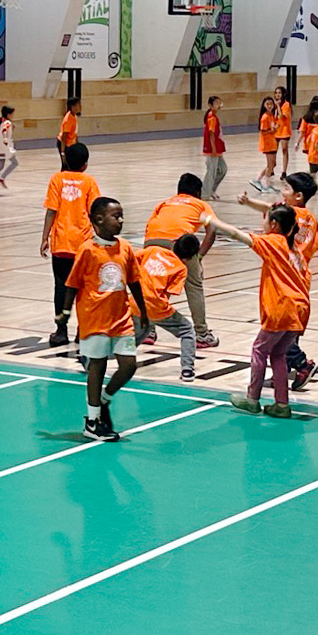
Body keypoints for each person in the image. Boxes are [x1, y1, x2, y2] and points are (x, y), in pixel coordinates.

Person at [206, 204, 309, 419]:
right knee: (278, 354)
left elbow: (237, 234)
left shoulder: (273, 242)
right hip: (300, 309)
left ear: (274, 224)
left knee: (259, 350)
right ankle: (282, 404)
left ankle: (252, 399)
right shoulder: (296, 251)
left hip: (281, 307)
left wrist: (212, 221)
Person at [58, 197, 149, 442]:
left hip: (121, 318)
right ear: (98, 220)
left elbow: (134, 281)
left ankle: (105, 400)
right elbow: (72, 285)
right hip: (94, 319)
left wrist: (143, 310)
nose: (120, 220)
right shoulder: (87, 250)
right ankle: (92, 421)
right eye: (115, 216)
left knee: (129, 365)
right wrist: (64, 315)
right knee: (97, 366)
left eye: (121, 216)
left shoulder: (126, 248)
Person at [237, 172, 318, 390]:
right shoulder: (310, 219)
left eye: (286, 188)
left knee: (278, 328)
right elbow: (268, 207)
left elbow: (269, 209)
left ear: (298, 196)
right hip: (300, 274)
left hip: (285, 275)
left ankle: (302, 364)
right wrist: (249, 202)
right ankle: (281, 375)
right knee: (290, 328)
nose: (282, 192)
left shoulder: (290, 216)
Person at [143, 174, 219, 349]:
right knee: (194, 286)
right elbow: (212, 231)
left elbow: (150, 226)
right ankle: (202, 334)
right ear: (198, 192)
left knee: (156, 286)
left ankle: (148, 330)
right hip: (178, 243)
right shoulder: (201, 204)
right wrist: (198, 258)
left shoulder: (164, 203)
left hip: (151, 241)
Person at [40, 141, 100, 347]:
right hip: (82, 246)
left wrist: (44, 238)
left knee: (61, 288)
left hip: (61, 244)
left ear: (65, 160)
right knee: (83, 290)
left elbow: (51, 211)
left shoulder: (56, 179)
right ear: (85, 164)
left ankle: (61, 330)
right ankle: (82, 331)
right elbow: (95, 213)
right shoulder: (90, 182)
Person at [137, 234, 201, 382]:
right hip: (157, 307)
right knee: (187, 330)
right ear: (191, 257)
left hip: (136, 303)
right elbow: (169, 293)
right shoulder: (180, 269)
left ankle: (96, 358)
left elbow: (130, 260)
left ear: (173, 243)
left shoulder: (153, 250)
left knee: (133, 339)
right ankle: (187, 370)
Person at [201, 95, 227, 199]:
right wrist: (214, 149)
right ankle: (204, 193)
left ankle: (211, 189)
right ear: (210, 105)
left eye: (219, 103)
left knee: (223, 169)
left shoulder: (215, 117)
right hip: (213, 149)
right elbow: (211, 134)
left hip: (218, 149)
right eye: (216, 103)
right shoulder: (211, 117)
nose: (218, 105)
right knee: (211, 171)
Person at [252, 96, 279, 194]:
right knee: (270, 165)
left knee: (272, 164)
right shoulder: (265, 117)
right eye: (267, 104)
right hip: (267, 143)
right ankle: (267, 185)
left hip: (272, 142)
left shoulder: (271, 116)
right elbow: (263, 131)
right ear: (264, 105)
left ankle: (258, 179)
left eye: (271, 104)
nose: (270, 106)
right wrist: (272, 130)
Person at [272, 84, 293, 175]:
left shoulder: (286, 104)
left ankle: (284, 171)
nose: (277, 95)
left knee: (284, 149)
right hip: (276, 130)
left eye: (279, 93)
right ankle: (271, 168)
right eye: (276, 93)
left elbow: (282, 117)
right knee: (273, 150)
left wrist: (278, 107)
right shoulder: (273, 105)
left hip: (284, 130)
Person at [56, 97, 81, 164]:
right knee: (66, 165)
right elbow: (64, 135)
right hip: (65, 144)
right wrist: (63, 151)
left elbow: (74, 133)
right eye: (78, 104)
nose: (80, 107)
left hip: (71, 145)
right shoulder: (68, 119)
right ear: (73, 106)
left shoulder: (74, 116)